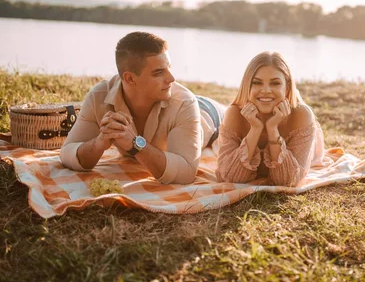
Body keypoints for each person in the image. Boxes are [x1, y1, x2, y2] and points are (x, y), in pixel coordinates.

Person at [60, 31, 224, 185]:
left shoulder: (184, 103)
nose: (171, 78)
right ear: (130, 78)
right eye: (159, 72)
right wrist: (99, 143)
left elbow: (186, 173)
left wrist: (136, 144)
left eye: (169, 68)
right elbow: (66, 153)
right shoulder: (99, 96)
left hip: (210, 114)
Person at [216, 51, 326, 187]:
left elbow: (287, 180)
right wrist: (255, 130)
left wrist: (272, 129)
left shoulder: (301, 116)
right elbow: (229, 177)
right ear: (247, 85)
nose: (266, 90)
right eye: (257, 82)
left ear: (287, 88)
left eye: (275, 83)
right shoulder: (234, 114)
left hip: (310, 146)